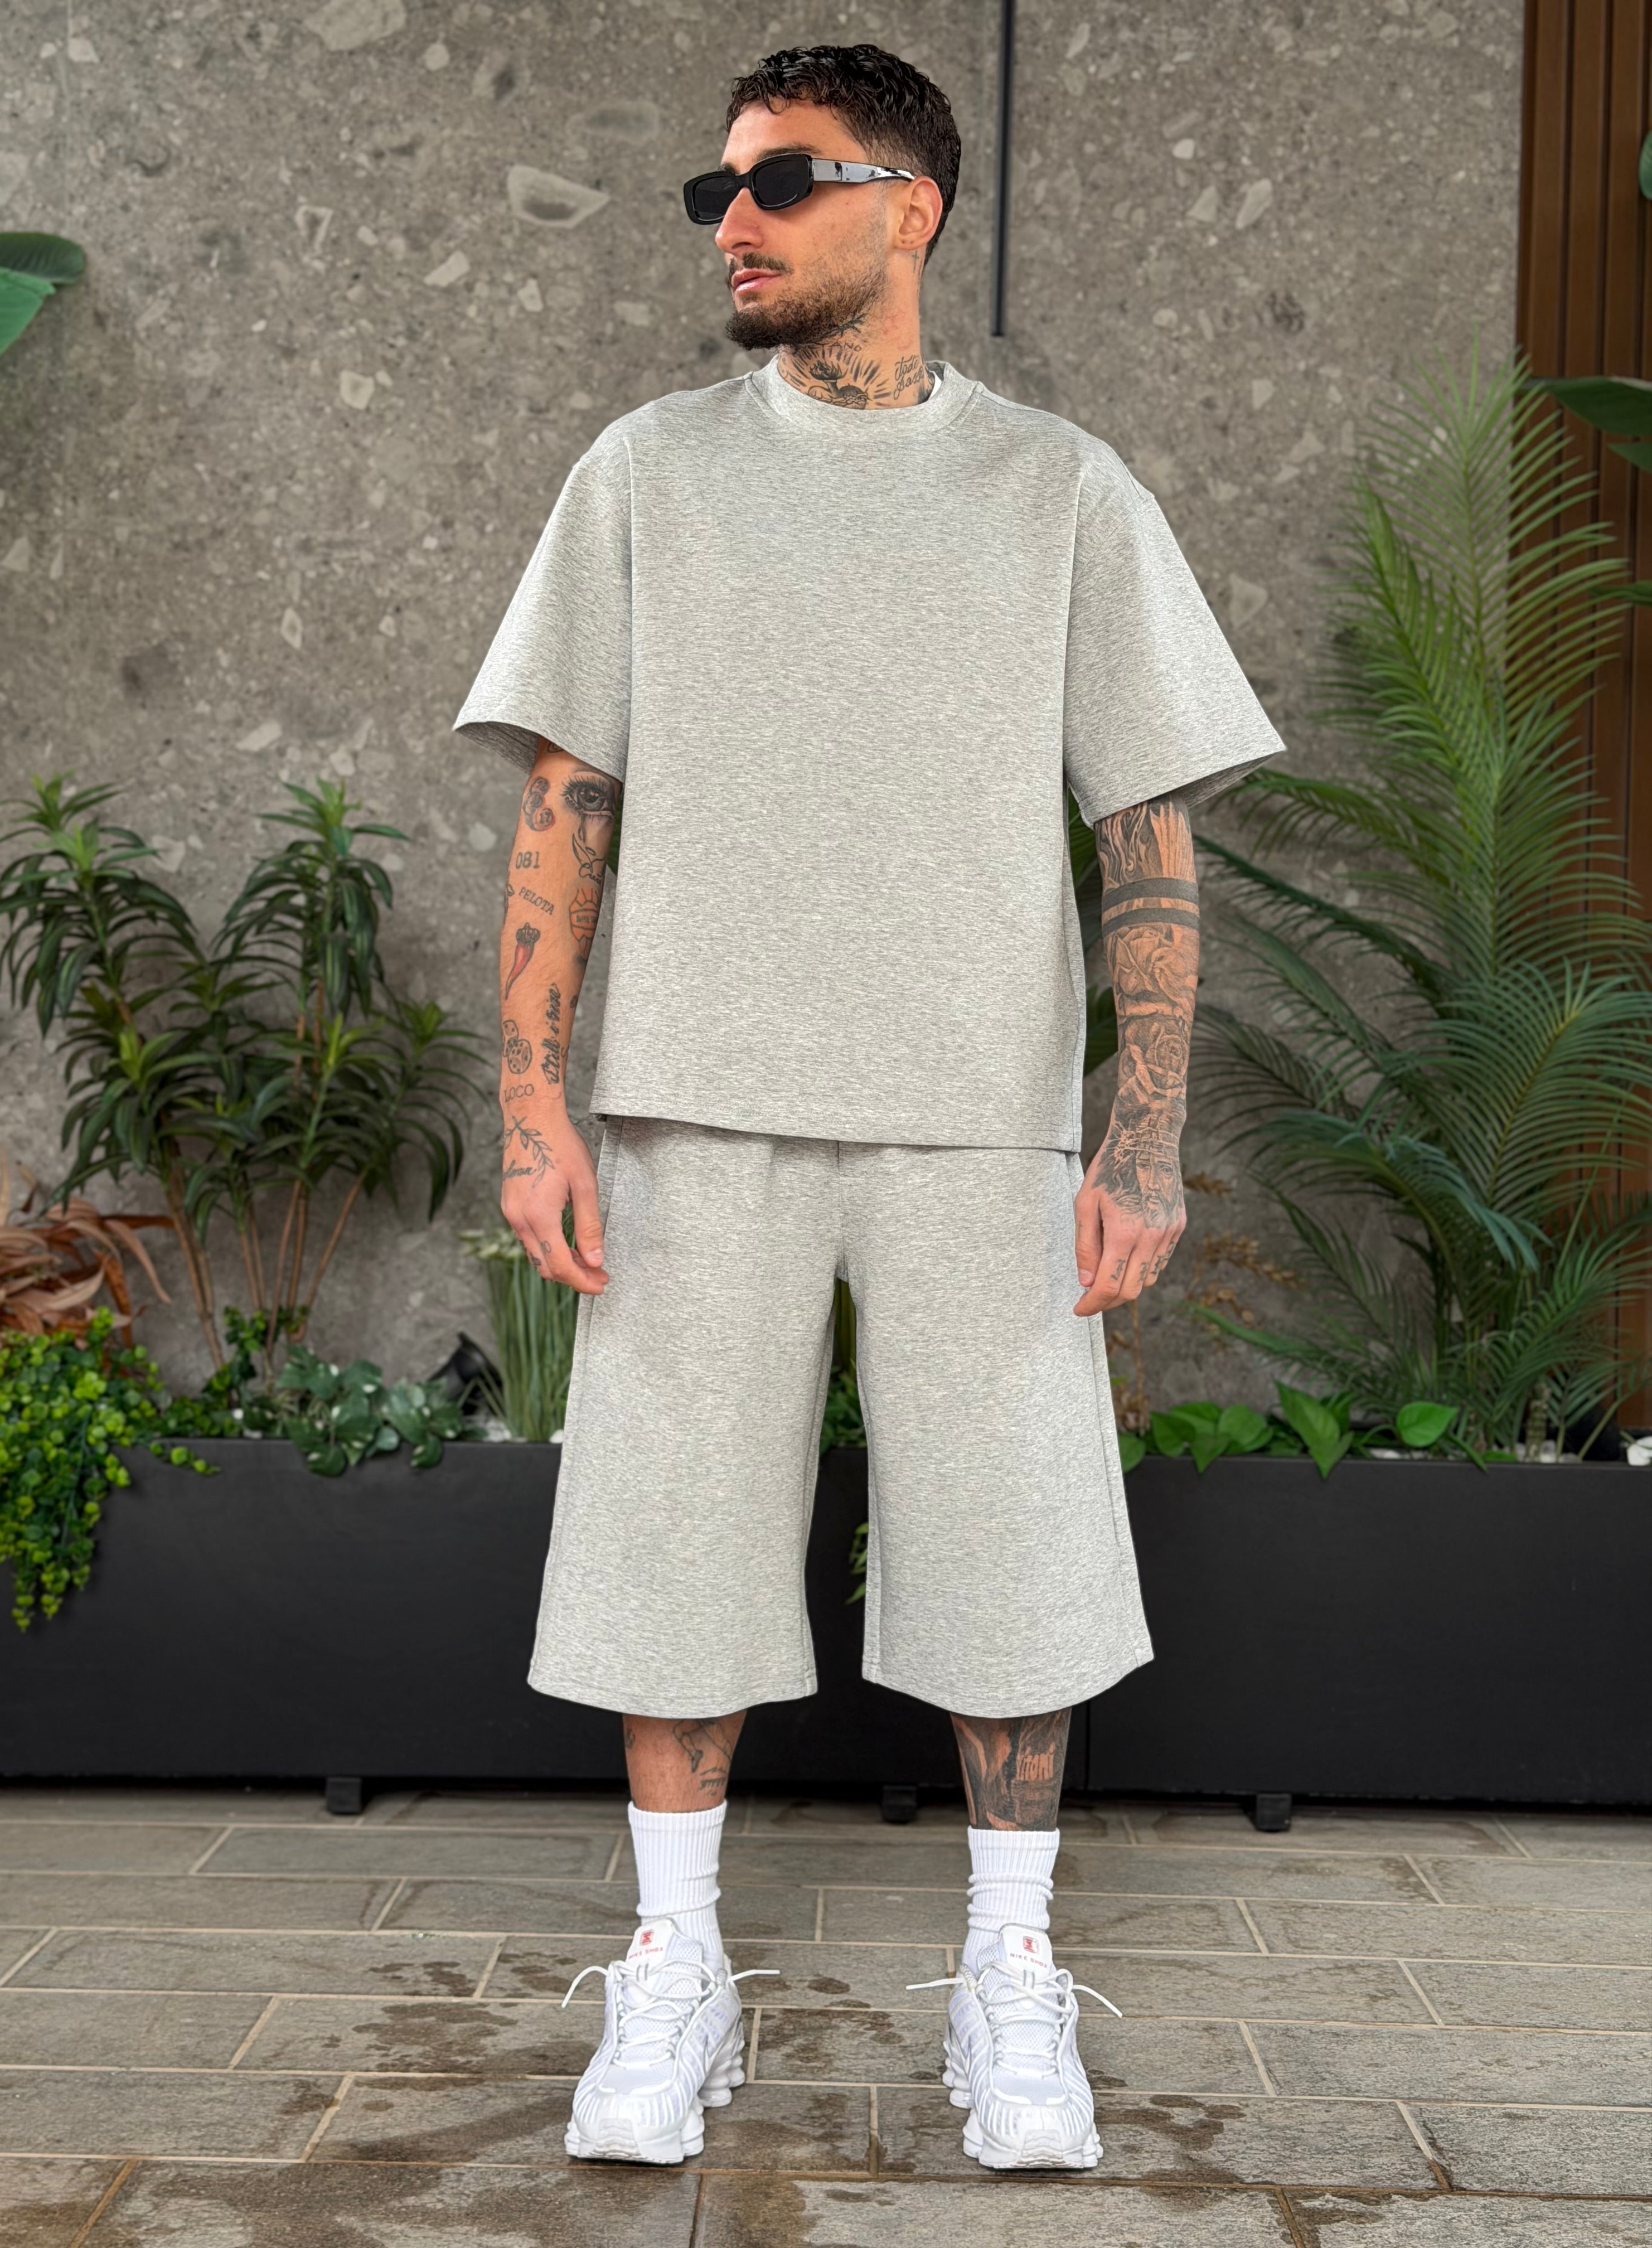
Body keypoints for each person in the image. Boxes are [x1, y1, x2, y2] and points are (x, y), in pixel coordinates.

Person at [452, 40, 1286, 2176]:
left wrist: (1143, 1135)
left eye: (784, 180)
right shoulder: (643, 475)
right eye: (717, 188)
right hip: (691, 1109)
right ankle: (676, 1977)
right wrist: (532, 1100)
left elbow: (1151, 831)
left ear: (908, 206)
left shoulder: (1061, 490)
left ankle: (1010, 1981)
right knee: (668, 1553)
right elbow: (567, 804)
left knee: (1016, 1559)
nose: (733, 218)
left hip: (981, 1120)